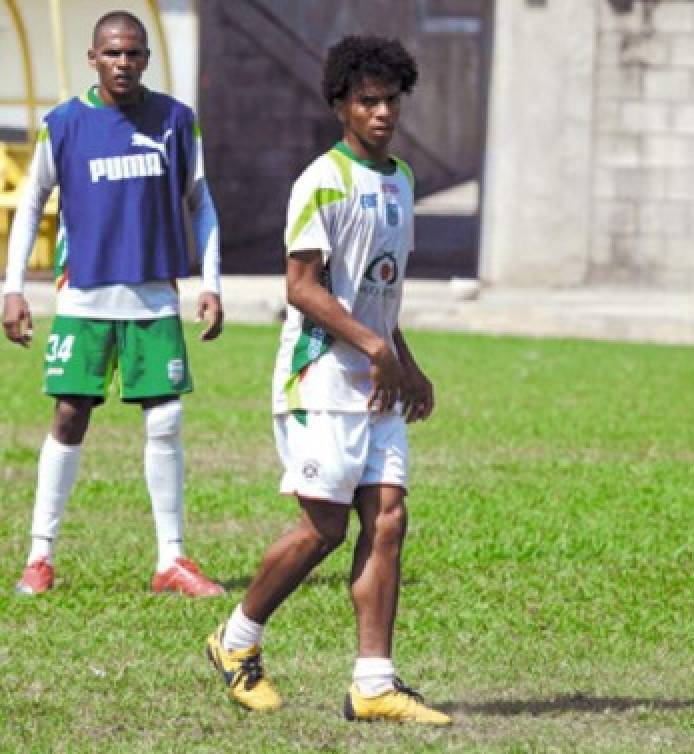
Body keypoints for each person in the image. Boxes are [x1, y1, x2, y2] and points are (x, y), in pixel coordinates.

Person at [204, 35, 450, 725]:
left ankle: (374, 683)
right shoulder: (322, 181)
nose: (380, 113)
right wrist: (376, 346)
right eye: (366, 101)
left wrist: (403, 357)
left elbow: (377, 292)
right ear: (340, 105)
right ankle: (235, 640)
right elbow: (303, 289)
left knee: (389, 518)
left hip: (375, 378)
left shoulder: (400, 180)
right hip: (318, 379)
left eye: (390, 100)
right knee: (323, 527)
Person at [2, 11, 224, 596]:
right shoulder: (65, 123)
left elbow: (201, 203)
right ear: (93, 59)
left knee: (166, 416)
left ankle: (171, 560)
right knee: (71, 413)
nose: (123, 63)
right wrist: (14, 288)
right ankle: (39, 557)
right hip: (84, 295)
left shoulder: (177, 121)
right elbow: (30, 206)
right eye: (112, 53)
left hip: (153, 294)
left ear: (146, 58)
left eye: (133, 53)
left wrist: (212, 282)